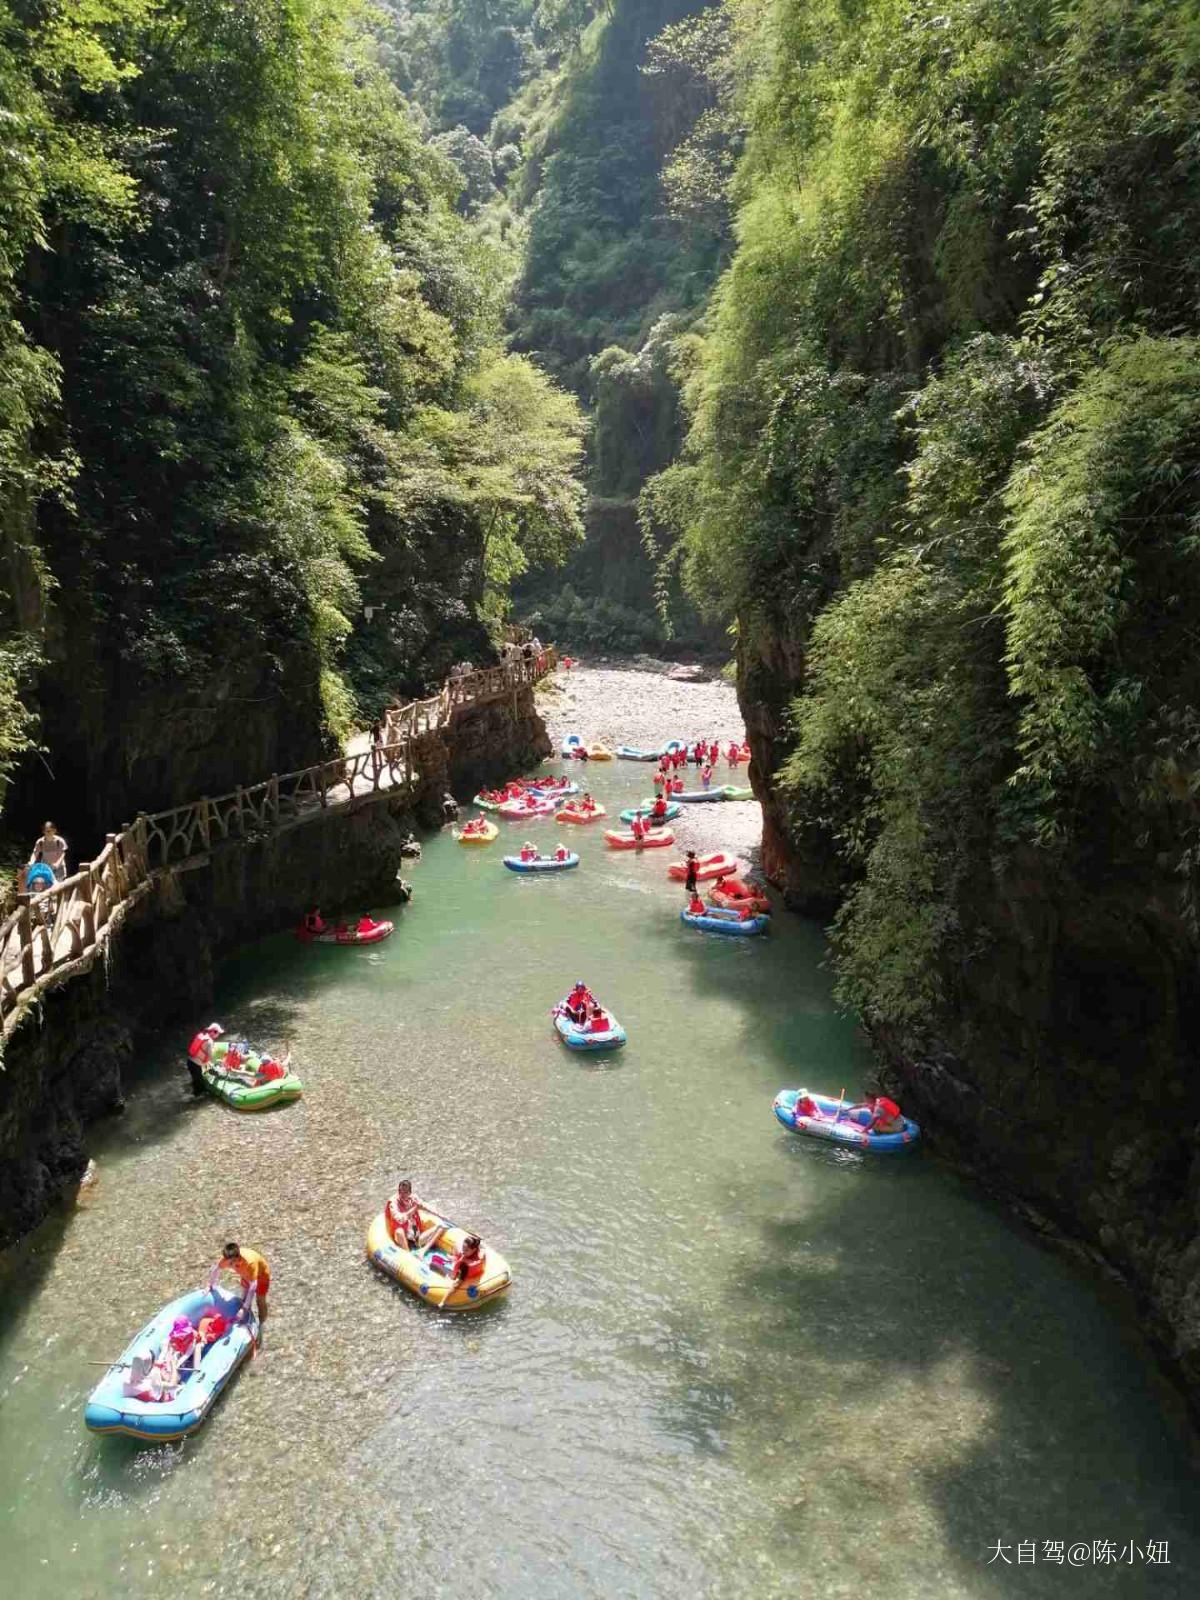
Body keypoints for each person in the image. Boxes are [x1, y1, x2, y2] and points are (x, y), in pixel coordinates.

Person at [210, 1242, 270, 1323]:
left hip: (261, 1275)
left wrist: (244, 1308)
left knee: (260, 1301)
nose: (229, 1266)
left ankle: (261, 1324)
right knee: (244, 1299)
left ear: (237, 1258)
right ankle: (247, 1321)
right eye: (228, 1263)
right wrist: (211, 1285)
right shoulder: (228, 1258)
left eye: (231, 1264)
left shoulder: (249, 1263)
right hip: (245, 1274)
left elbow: (253, 1286)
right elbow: (216, 1269)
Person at [386, 1179, 428, 1249]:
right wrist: (414, 1208)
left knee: (440, 1226)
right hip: (403, 1237)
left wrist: (439, 1215)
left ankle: (421, 1247)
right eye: (400, 1191)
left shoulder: (413, 1199)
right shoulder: (393, 1203)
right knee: (399, 1232)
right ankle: (408, 1255)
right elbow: (400, 1219)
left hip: (415, 1236)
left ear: (410, 1193)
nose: (402, 1194)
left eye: (405, 1192)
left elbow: (426, 1206)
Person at [186, 1022, 223, 1097]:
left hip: (190, 1062)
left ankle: (194, 1092)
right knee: (200, 1088)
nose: (218, 1035)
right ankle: (196, 1100)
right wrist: (219, 1062)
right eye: (218, 1033)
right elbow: (211, 1057)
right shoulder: (209, 1042)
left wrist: (210, 1066)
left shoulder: (203, 1035)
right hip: (196, 1065)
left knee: (196, 1081)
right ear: (213, 1032)